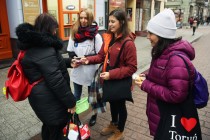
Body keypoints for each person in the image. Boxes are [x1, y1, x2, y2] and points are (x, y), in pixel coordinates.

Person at [134, 9, 202, 139]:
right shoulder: (162, 51)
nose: (147, 37)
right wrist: (147, 78)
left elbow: (177, 95)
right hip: (161, 114)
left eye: (150, 33)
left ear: (161, 35)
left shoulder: (175, 59)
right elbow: (163, 77)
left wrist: (146, 85)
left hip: (169, 119)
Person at [15, 13, 76, 140]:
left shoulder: (33, 44)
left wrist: (69, 62)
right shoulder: (45, 49)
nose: (55, 32)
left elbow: (47, 64)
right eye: (54, 29)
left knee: (48, 126)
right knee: (56, 131)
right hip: (49, 99)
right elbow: (56, 81)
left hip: (40, 97)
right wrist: (71, 102)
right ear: (48, 28)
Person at [81, 9, 137, 140]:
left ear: (122, 22)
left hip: (119, 78)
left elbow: (132, 67)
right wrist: (88, 59)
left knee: (120, 105)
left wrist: (111, 74)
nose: (110, 24)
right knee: (112, 102)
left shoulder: (128, 43)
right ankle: (113, 123)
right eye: (109, 21)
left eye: (113, 21)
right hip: (108, 76)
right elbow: (101, 56)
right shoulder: (109, 38)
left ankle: (120, 131)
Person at [67, 8, 103, 126]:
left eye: (86, 18)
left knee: (92, 96)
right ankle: (76, 116)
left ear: (90, 19)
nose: (83, 20)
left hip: (91, 71)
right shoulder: (74, 32)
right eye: (81, 17)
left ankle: (94, 114)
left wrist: (86, 58)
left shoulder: (96, 36)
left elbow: (100, 55)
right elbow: (70, 51)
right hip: (78, 70)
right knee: (76, 95)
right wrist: (74, 59)